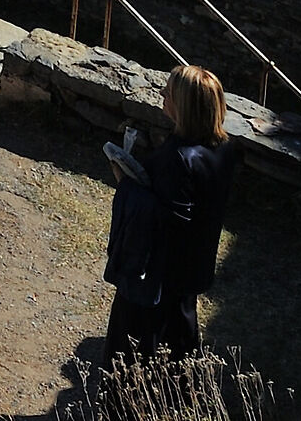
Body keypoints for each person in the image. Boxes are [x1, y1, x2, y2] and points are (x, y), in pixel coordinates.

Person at [103, 64, 241, 361]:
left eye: (169, 92)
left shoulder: (179, 157)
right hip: (194, 263)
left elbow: (170, 218)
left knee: (141, 338)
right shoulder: (223, 148)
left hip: (159, 273)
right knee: (180, 330)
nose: (163, 94)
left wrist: (126, 184)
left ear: (184, 106)